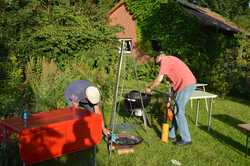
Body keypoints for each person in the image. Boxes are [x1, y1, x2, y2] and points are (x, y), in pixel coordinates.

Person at [145, 53, 196, 145]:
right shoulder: (170, 60)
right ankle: (172, 134)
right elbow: (173, 85)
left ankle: (186, 139)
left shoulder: (165, 60)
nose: (159, 65)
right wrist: (170, 100)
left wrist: (149, 88)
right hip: (185, 85)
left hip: (186, 85)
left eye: (158, 63)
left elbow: (158, 80)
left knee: (179, 111)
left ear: (159, 57)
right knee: (174, 109)